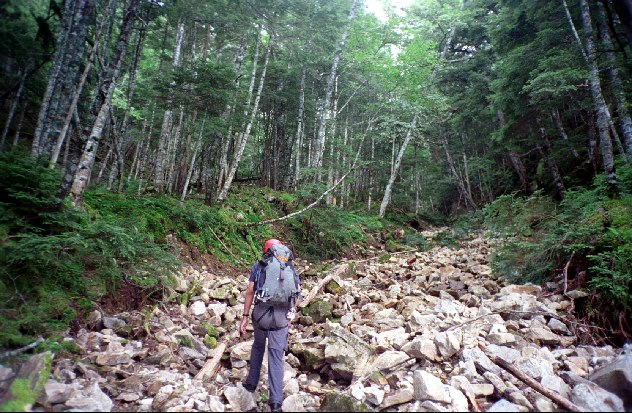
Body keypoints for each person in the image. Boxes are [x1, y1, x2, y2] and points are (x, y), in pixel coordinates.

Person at [238, 238, 301, 412]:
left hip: (261, 315)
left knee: (258, 346)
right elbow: (296, 295)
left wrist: (245, 317)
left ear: (266, 251)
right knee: (275, 356)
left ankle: (251, 384)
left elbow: (250, 291)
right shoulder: (289, 267)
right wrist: (290, 313)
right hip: (281, 318)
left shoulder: (259, 266)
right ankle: (275, 402)